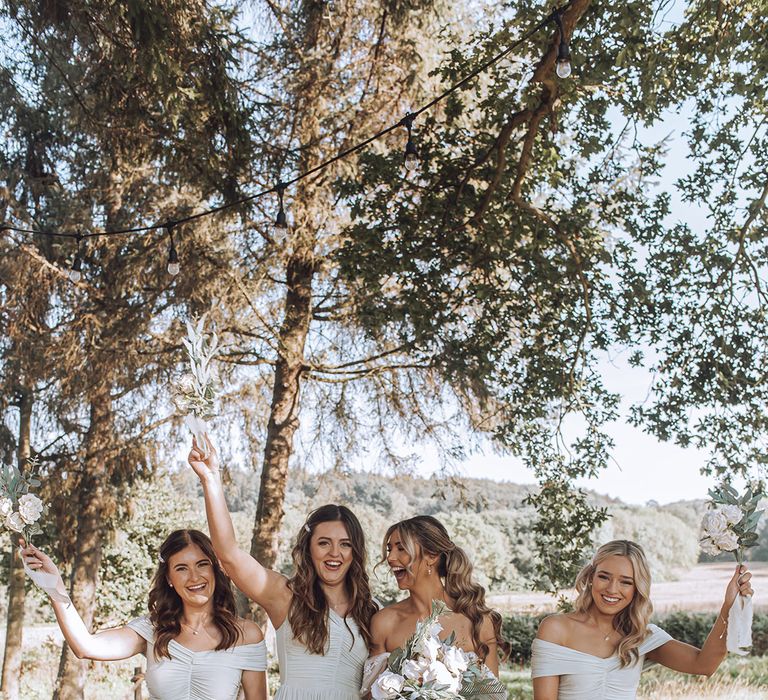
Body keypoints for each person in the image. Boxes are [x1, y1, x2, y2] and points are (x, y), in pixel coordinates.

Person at [187, 436, 378, 699]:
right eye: (324, 543)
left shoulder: (371, 610)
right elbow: (229, 554)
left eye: (345, 544)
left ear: (355, 551)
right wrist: (211, 480)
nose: (335, 553)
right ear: (308, 548)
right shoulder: (286, 595)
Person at [20, 529, 267, 700]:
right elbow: (85, 646)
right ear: (169, 579)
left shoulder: (246, 635)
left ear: (215, 569)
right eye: (181, 568)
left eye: (202, 564)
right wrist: (54, 586)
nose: (194, 577)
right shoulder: (152, 631)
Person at [531, 539, 755, 700]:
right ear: (590, 578)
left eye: (626, 582)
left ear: (637, 588)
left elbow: (704, 664)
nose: (612, 589)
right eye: (604, 577)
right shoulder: (556, 629)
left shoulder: (641, 637)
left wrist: (729, 606)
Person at [363, 515, 509, 694]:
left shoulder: (476, 620)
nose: (391, 558)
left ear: (431, 556)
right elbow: (371, 695)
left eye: (401, 548)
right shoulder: (384, 623)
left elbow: (492, 696)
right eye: (389, 549)